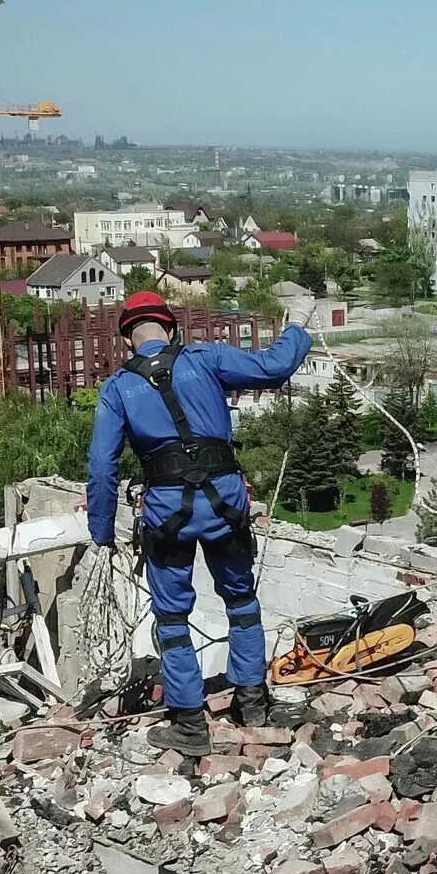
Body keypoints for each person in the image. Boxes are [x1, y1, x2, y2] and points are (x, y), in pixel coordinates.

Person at [86, 291, 311, 756]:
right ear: (171, 329)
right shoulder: (204, 358)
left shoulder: (117, 388)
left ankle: (190, 726)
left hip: (168, 512)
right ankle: (252, 703)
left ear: (128, 340)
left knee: (171, 616)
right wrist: (298, 328)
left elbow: (102, 467)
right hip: (224, 500)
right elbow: (273, 367)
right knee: (241, 599)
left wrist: (103, 532)